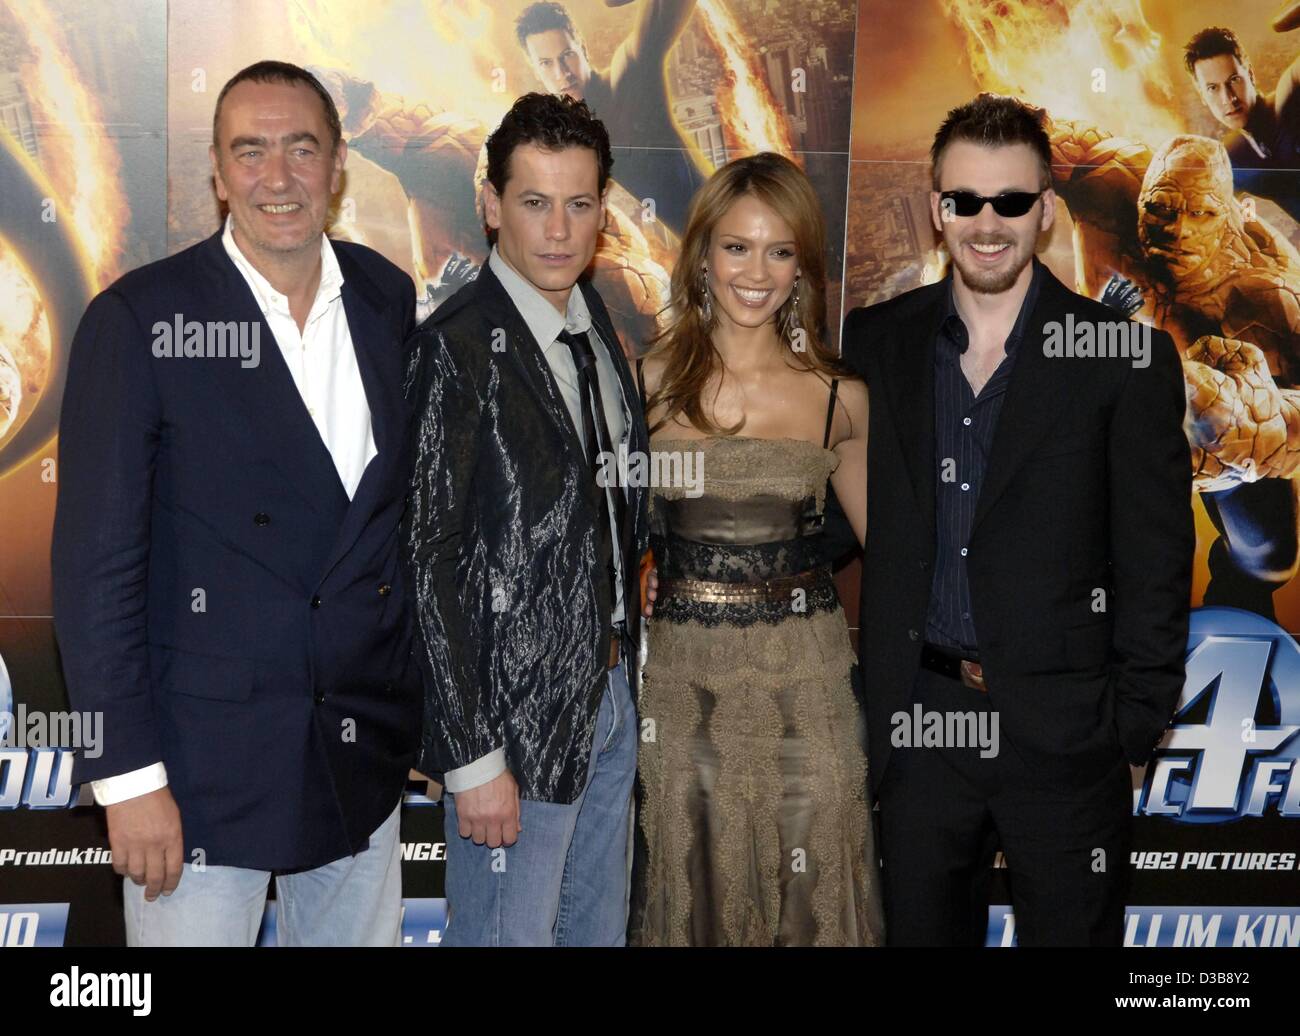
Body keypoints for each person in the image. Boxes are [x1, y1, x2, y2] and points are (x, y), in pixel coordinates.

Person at [51, 61, 422, 946]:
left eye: (302, 149)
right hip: (196, 777)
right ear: (216, 175)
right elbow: (96, 569)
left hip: (358, 761)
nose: (278, 177)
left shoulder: (384, 298)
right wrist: (130, 781)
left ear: (338, 168)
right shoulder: (142, 320)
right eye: (248, 152)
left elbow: (389, 533)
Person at [826, 94, 1193, 946]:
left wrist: (1128, 731)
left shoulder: (1123, 356)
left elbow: (1155, 558)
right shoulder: (877, 342)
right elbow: (840, 514)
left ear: (1047, 210)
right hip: (920, 728)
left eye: (1013, 201)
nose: (987, 224)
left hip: (1066, 739)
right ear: (935, 208)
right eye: (965, 200)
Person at [403, 91, 649, 946]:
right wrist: (471, 754)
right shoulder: (457, 345)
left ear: (602, 210)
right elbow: (426, 555)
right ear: (491, 204)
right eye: (534, 202)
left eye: (578, 204)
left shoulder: (596, 331)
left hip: (612, 694)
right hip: (512, 723)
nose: (557, 229)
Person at [628, 151, 881, 946]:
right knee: (694, 893)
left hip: (809, 696)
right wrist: (640, 559)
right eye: (737, 246)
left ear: (802, 267)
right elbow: (598, 535)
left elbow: (900, 560)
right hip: (684, 694)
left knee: (814, 904)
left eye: (779, 251)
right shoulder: (645, 385)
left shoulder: (841, 397)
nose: (756, 271)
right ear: (703, 252)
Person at [515, 0, 706, 236]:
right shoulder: (557, 143)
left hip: (717, 233)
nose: (562, 73)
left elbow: (663, 14)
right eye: (546, 63)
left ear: (582, 47)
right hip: (666, 262)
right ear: (535, 69)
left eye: (567, 55)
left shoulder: (625, 80)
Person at [1184, 24, 1300, 220]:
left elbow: (1293, 77)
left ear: (1251, 75)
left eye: (1234, 80)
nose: (1229, 98)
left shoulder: (1289, 100)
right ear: (1202, 95)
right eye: (1213, 88)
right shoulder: (1233, 158)